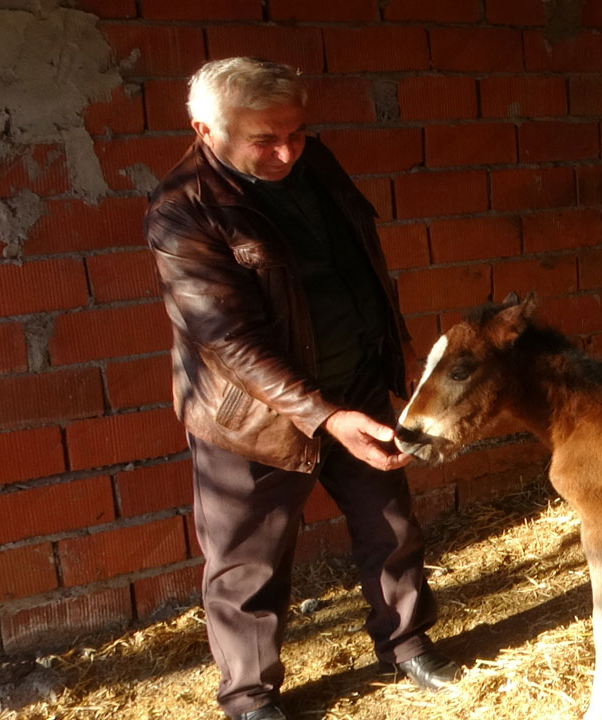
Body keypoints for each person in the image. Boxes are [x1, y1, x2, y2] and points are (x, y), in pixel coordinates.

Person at [144, 56, 459, 720]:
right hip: (250, 418)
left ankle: (407, 644)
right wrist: (324, 415)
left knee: (391, 526)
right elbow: (228, 342)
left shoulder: (313, 165)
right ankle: (250, 696)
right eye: (266, 139)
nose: (287, 151)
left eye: (298, 131)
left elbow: (361, 265)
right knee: (246, 566)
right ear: (206, 129)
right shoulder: (182, 212)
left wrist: (387, 365)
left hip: (356, 386)